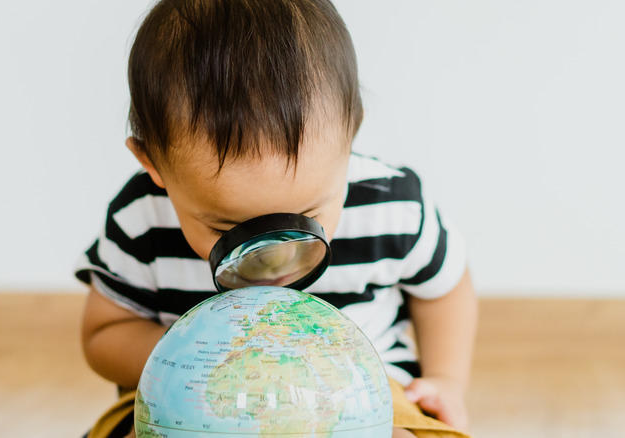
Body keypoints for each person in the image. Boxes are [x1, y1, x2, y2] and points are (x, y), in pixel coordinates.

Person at [75, 1, 477, 437]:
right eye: (227, 230)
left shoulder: (391, 203)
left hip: (361, 396)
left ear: (351, 132)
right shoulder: (141, 217)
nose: (272, 259)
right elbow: (103, 333)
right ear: (153, 163)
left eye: (306, 217)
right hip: (191, 406)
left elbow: (446, 289)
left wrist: (446, 381)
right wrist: (196, 361)